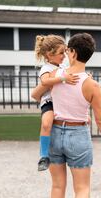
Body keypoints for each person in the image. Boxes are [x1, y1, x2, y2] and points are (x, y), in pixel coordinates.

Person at [32, 33, 101, 198]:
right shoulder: (92, 85)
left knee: (58, 185)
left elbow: (37, 94)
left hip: (55, 133)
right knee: (82, 187)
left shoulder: (55, 73)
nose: (65, 54)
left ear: (74, 53)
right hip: (78, 134)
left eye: (67, 50)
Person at [33, 34, 79, 172]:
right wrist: (62, 78)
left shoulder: (62, 67)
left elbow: (74, 74)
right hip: (50, 102)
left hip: (62, 101)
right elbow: (45, 82)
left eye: (65, 52)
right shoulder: (46, 68)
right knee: (46, 123)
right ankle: (43, 156)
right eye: (61, 53)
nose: (64, 56)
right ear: (49, 54)